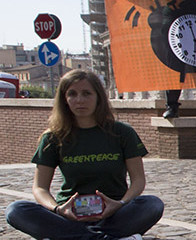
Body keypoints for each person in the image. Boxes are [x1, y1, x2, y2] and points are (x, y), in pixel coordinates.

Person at [5, 70, 164, 240]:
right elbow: (40, 188)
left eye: (87, 93)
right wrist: (58, 209)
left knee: (152, 204)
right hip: (68, 216)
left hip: (114, 214)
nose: (79, 100)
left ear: (98, 97)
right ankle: (104, 238)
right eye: (72, 94)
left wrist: (120, 204)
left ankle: (74, 237)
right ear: (64, 100)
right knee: (16, 210)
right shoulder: (52, 137)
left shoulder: (122, 132)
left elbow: (138, 180)